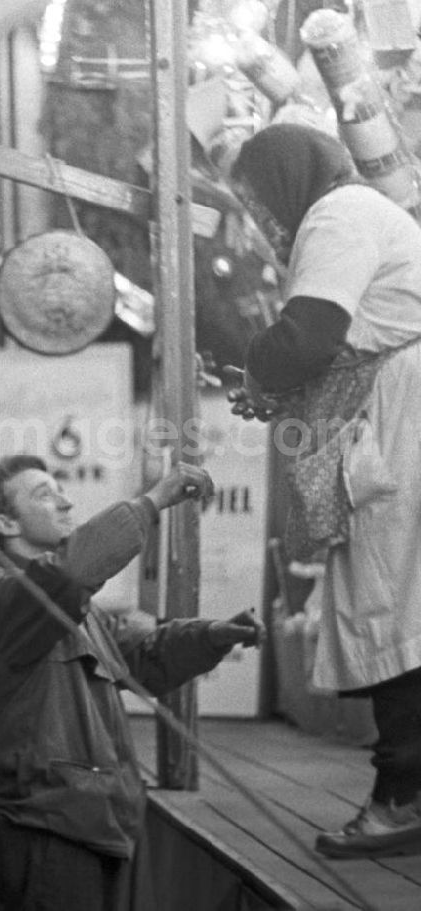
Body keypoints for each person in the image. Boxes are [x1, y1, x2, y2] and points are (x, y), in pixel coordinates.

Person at [226, 122, 421, 859]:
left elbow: (309, 335)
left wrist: (255, 367)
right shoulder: (367, 211)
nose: (262, 218)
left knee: (394, 606)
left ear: (287, 178)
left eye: (258, 198)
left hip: (403, 423)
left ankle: (400, 798)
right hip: (399, 405)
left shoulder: (335, 216)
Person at [0, 455, 265, 911]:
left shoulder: (69, 604)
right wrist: (153, 501)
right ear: (4, 523)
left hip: (90, 823)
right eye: (44, 494)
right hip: (48, 831)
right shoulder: (1, 599)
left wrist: (210, 636)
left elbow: (143, 656)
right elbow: (71, 569)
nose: (65, 502)